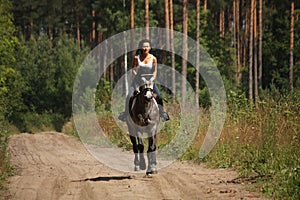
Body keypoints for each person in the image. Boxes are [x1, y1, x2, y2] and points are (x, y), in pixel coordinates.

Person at [119, 39, 170, 122]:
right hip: (138, 81)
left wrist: (153, 78)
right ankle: (126, 114)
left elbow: (155, 70)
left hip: (150, 81)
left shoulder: (153, 58)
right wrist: (138, 76)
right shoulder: (137, 58)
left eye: (147, 46)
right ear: (141, 47)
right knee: (129, 96)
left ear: (150, 48)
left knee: (159, 96)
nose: (145, 48)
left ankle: (162, 113)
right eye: (144, 46)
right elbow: (133, 70)